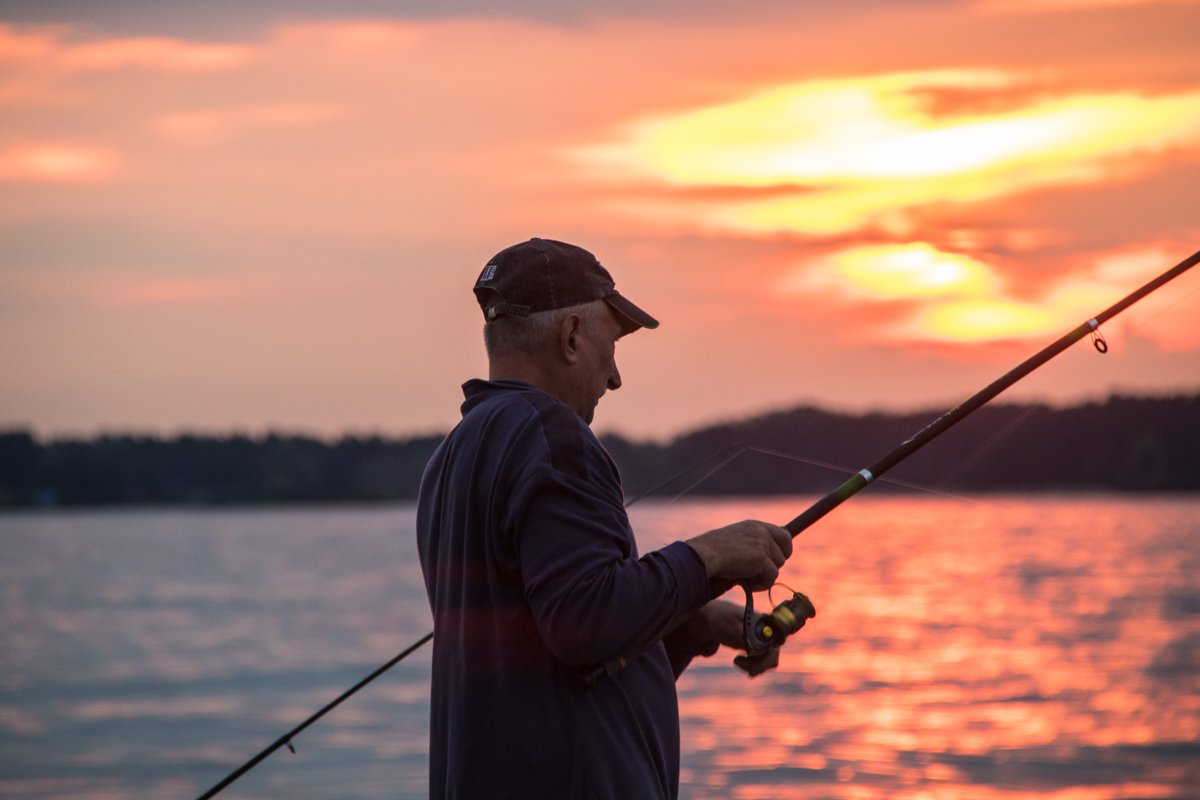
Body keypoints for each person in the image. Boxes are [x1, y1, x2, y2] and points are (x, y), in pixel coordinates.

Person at [415, 237, 793, 799]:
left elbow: (553, 656)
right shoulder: (551, 434)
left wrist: (690, 620)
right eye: (612, 344)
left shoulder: (452, 458)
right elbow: (585, 623)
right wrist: (709, 554)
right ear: (571, 337)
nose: (614, 378)